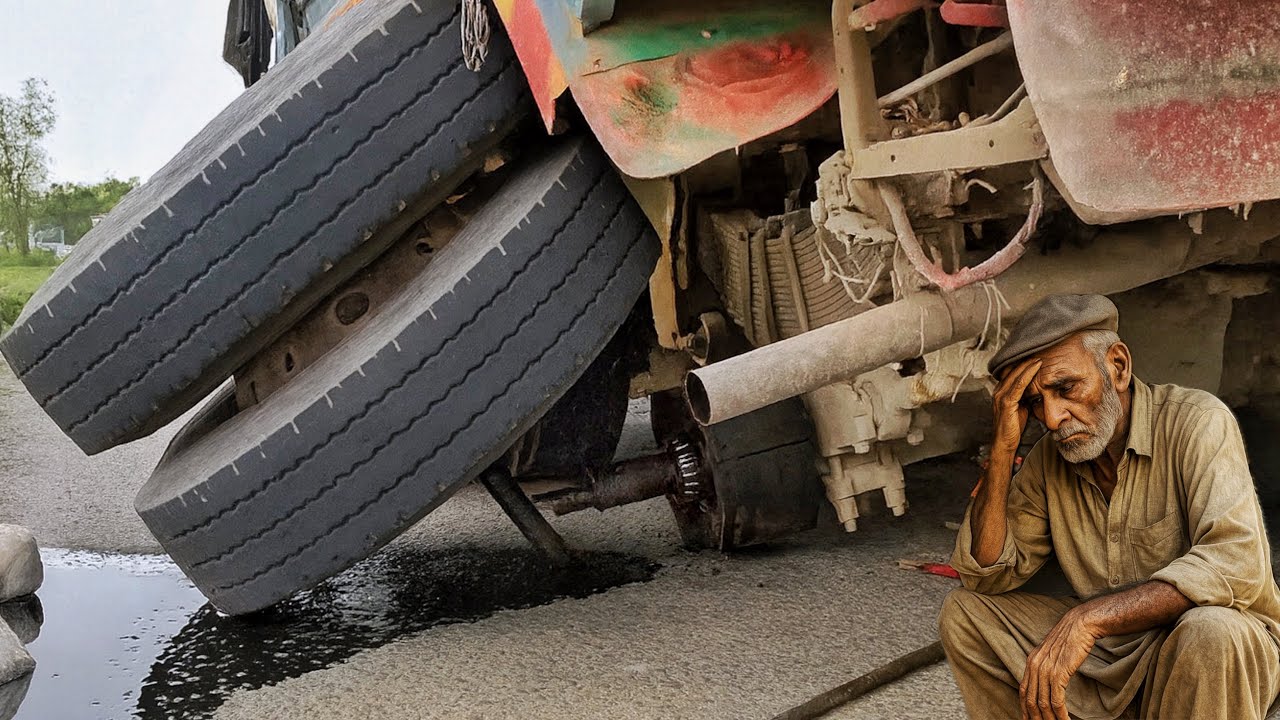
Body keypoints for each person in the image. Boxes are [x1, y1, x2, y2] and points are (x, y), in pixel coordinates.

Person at [939, 293, 1280, 720]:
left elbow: (1233, 562)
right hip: (1110, 656)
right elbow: (986, 574)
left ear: (1118, 367)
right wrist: (1003, 450)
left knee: (1212, 631)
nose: (1052, 417)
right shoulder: (1049, 459)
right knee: (965, 615)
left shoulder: (1198, 421)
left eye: (1066, 388)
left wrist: (1090, 619)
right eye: (1034, 402)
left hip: (1206, 647)